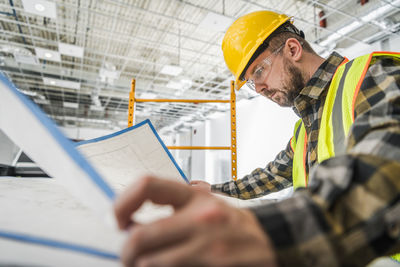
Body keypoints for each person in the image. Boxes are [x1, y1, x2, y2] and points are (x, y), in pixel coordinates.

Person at [114, 10, 400, 266]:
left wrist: (271, 233)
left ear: (292, 48)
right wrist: (215, 189)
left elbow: (387, 169)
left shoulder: (370, 75)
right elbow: (271, 176)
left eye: (260, 71)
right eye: (252, 81)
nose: (260, 88)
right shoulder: (304, 130)